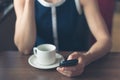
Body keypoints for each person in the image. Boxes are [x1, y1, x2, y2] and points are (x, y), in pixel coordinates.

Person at [13, 0, 112, 77]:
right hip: (37, 72)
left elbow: (105, 40)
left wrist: (86, 57)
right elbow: (24, 48)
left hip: (75, 68)